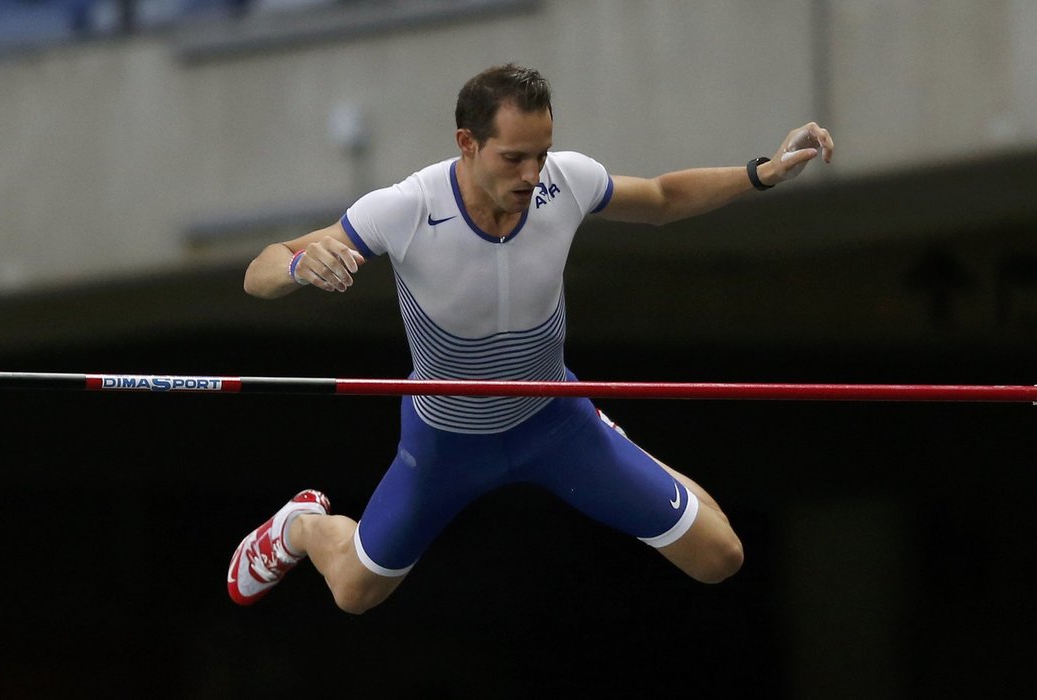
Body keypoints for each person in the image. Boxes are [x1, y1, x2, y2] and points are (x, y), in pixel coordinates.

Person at [228, 63, 834, 613]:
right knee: (356, 594)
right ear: (468, 144)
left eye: (541, 153)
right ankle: (303, 526)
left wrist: (762, 174)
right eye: (514, 158)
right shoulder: (404, 208)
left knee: (720, 559)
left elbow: (662, 199)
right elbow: (261, 271)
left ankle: (615, 441)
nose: (532, 174)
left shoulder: (564, 182)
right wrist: (295, 267)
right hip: (446, 442)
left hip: (553, 421)